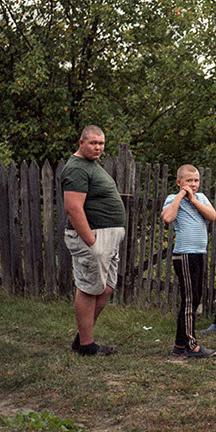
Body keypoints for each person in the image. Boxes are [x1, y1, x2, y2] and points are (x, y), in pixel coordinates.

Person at [62, 125, 126, 356]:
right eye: (93, 143)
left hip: (107, 237)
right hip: (94, 237)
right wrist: (91, 242)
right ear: (81, 143)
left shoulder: (91, 165)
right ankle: (87, 346)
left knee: (106, 288)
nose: (98, 147)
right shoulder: (76, 168)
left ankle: (82, 337)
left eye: (101, 143)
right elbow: (73, 208)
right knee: (89, 288)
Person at [161, 164, 216, 358]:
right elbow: (167, 218)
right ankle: (190, 345)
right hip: (184, 255)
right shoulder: (172, 199)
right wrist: (180, 196)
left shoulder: (200, 198)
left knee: (194, 298)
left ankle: (179, 344)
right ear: (179, 182)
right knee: (189, 299)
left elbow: (212, 216)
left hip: (200, 253)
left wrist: (193, 199)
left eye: (196, 181)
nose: (193, 184)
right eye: (189, 181)